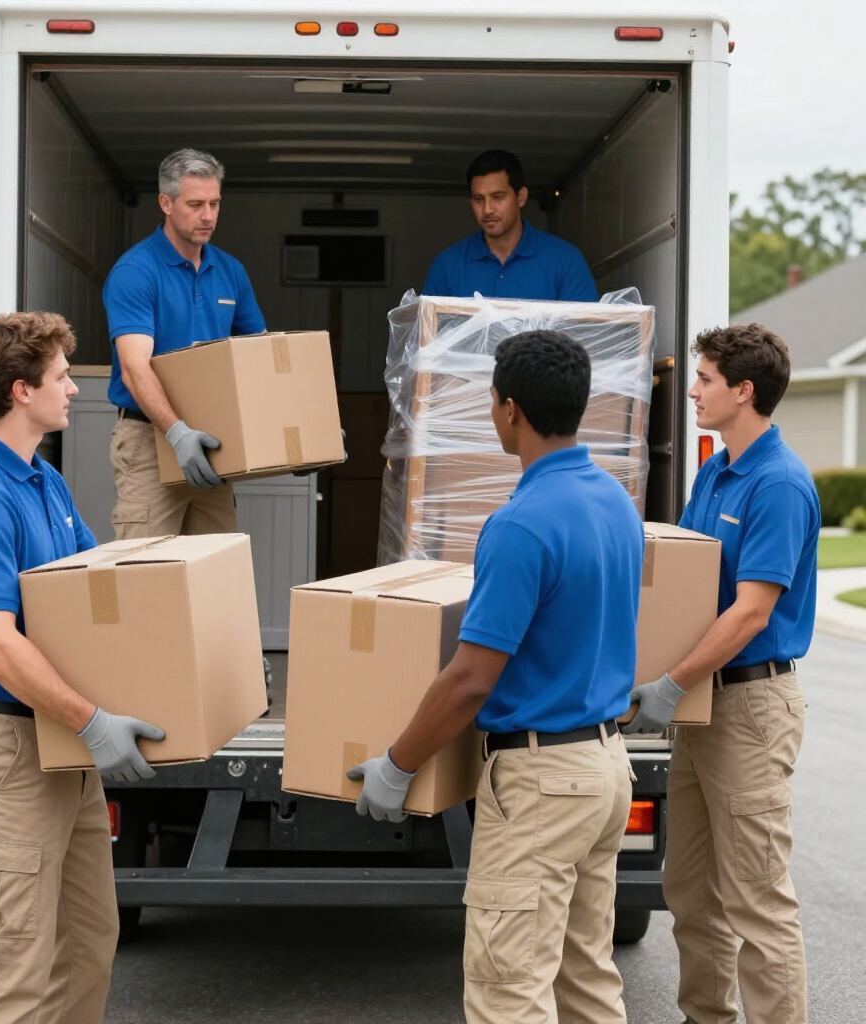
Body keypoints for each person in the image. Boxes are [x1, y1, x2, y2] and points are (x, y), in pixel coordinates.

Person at [348, 330, 644, 1023]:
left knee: (509, 989)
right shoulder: (615, 504)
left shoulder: (521, 524)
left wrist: (397, 765)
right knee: (586, 982)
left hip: (542, 785)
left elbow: (472, 678)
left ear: (509, 409)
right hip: (604, 767)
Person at [0, 311, 165, 1024]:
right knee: (12, 972)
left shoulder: (44, 484)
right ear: (21, 391)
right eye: (62, 377)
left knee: (87, 942)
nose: (75, 389)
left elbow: (100, 592)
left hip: (61, 745)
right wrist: (92, 720)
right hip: (11, 751)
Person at [624, 324, 819, 1024]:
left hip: (752, 706)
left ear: (744, 390)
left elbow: (750, 613)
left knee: (757, 899)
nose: (694, 392)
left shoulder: (780, 483)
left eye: (704, 380)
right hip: (705, 703)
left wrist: (670, 682)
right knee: (691, 891)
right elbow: (685, 585)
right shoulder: (713, 471)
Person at [102, 147, 266, 539]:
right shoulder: (135, 272)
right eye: (195, 204)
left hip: (213, 439)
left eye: (214, 203)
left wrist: (294, 425)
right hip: (149, 440)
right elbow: (134, 367)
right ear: (166, 202)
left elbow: (259, 357)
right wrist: (177, 433)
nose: (207, 215)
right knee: (145, 572)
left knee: (214, 570)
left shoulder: (230, 271)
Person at [422, 149, 598, 301]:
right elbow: (428, 336)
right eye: (478, 199)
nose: (487, 209)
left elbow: (583, 335)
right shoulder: (446, 266)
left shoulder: (565, 260)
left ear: (521, 197)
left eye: (498, 197)